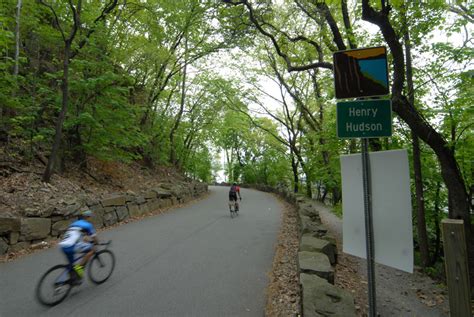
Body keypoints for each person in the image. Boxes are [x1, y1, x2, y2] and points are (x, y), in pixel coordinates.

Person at [58, 210, 98, 284]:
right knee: (91, 250)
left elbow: (81, 237)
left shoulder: (74, 224)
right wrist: (96, 243)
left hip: (63, 245)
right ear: (88, 217)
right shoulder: (87, 225)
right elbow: (94, 238)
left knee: (71, 264)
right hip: (71, 245)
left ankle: (73, 278)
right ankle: (79, 270)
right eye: (90, 217)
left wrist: (87, 241)